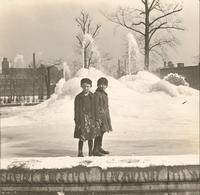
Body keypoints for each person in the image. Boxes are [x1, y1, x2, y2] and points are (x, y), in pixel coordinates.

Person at [74, 78, 100, 157]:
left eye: (87, 86)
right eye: (84, 86)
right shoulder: (78, 97)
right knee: (81, 137)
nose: (86, 88)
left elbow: (96, 109)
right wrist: (77, 121)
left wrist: (96, 120)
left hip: (91, 119)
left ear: (90, 86)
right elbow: (76, 110)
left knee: (91, 136)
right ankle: (80, 152)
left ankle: (90, 152)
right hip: (82, 119)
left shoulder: (93, 96)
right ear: (81, 86)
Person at [93, 77, 112, 156]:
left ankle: (99, 147)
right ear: (98, 85)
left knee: (102, 131)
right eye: (101, 84)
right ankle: (95, 149)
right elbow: (95, 107)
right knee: (98, 133)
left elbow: (106, 106)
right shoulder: (96, 94)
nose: (102, 86)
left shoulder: (104, 94)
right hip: (99, 116)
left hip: (105, 116)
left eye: (104, 85)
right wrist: (97, 118)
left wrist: (107, 117)